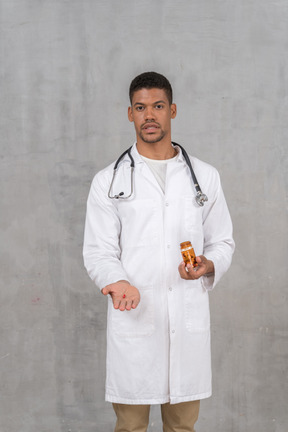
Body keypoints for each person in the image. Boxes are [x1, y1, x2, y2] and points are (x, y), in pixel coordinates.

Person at [83, 71, 235, 432]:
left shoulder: (205, 176)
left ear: (173, 110)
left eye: (158, 106)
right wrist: (117, 281)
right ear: (130, 114)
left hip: (185, 319)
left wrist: (206, 264)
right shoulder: (109, 181)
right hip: (135, 317)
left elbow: (223, 241)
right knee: (131, 426)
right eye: (140, 107)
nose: (149, 115)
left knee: (183, 427)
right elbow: (98, 250)